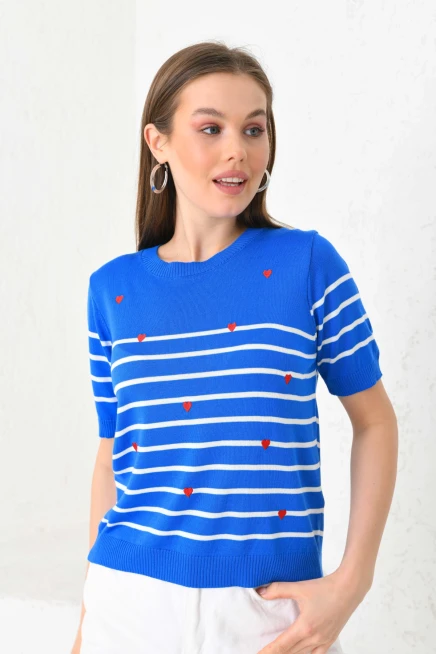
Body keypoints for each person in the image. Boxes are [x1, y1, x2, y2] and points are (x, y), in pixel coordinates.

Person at [72, 41, 398, 654]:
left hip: (269, 609)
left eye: (254, 129)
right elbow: (112, 451)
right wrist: (91, 611)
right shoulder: (111, 290)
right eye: (211, 128)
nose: (237, 151)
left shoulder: (307, 264)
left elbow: (375, 420)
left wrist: (351, 583)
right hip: (129, 604)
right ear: (158, 143)